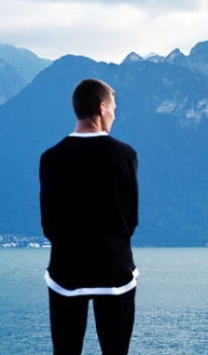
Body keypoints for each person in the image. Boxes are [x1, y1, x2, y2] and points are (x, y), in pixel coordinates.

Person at [39, 78, 139, 355]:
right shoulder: (125, 155)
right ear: (101, 107)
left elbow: (49, 223)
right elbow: (131, 219)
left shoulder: (51, 158)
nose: (114, 116)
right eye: (113, 109)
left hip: (66, 271)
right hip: (115, 271)